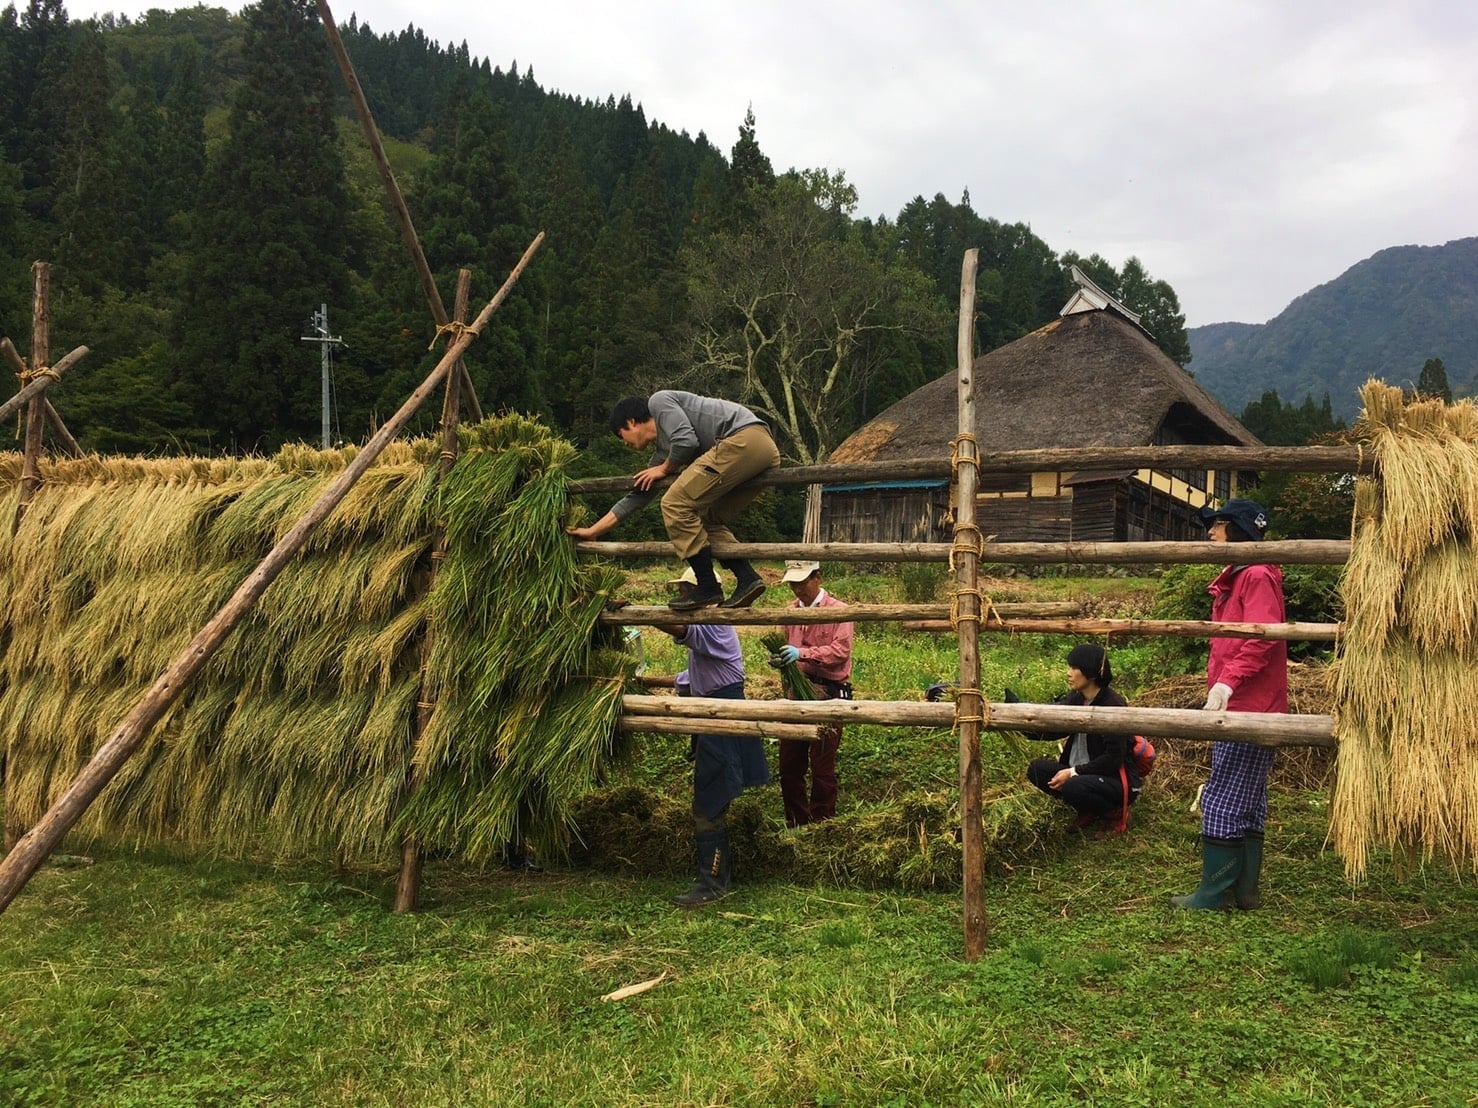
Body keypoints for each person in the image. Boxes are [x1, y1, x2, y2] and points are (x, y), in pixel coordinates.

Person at [566, 391, 781, 611]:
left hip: (744, 439)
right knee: (704, 518)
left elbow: (686, 441)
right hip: (762, 449)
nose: (625, 444)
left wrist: (665, 468)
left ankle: (707, 585)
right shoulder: (665, 450)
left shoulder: (659, 402)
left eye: (621, 435)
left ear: (631, 422)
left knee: (674, 504)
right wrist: (594, 530)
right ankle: (747, 578)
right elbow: (639, 496)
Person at [1172, 497, 1286, 910]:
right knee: (1248, 798)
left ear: (1237, 531)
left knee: (1222, 794)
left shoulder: (1254, 575)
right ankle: (1244, 890)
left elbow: (1260, 636)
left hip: (1249, 705)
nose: (1211, 532)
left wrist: (1227, 684)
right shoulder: (1240, 576)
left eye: (1218, 525)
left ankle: (1215, 891)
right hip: (1248, 701)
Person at [659, 570, 770, 908]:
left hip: (722, 714)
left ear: (699, 593)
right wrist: (649, 682)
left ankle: (713, 882)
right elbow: (693, 676)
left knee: (709, 800)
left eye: (684, 592)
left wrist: (639, 614)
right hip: (715, 711)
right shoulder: (710, 626)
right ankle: (715, 876)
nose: (681, 600)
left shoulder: (714, 622)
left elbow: (678, 628)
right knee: (711, 796)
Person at [768, 561, 854, 827]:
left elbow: (840, 652)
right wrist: (780, 659)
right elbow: (783, 645)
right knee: (789, 763)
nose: (797, 589)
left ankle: (822, 822)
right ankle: (796, 820)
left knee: (822, 764)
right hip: (796, 692)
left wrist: (802, 653)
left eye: (802, 583)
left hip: (828, 693)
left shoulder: (839, 611)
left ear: (817, 578)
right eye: (793, 584)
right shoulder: (789, 613)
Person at [1023, 643, 1136, 834]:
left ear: (1091, 673)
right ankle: (1087, 808)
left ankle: (1113, 813)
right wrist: (1023, 727)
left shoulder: (1113, 705)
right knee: (1036, 769)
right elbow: (1057, 729)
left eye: (1074, 668)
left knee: (1073, 785)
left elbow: (1113, 759)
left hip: (1113, 779)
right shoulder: (1077, 698)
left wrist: (1073, 772)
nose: (1069, 673)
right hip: (1082, 773)